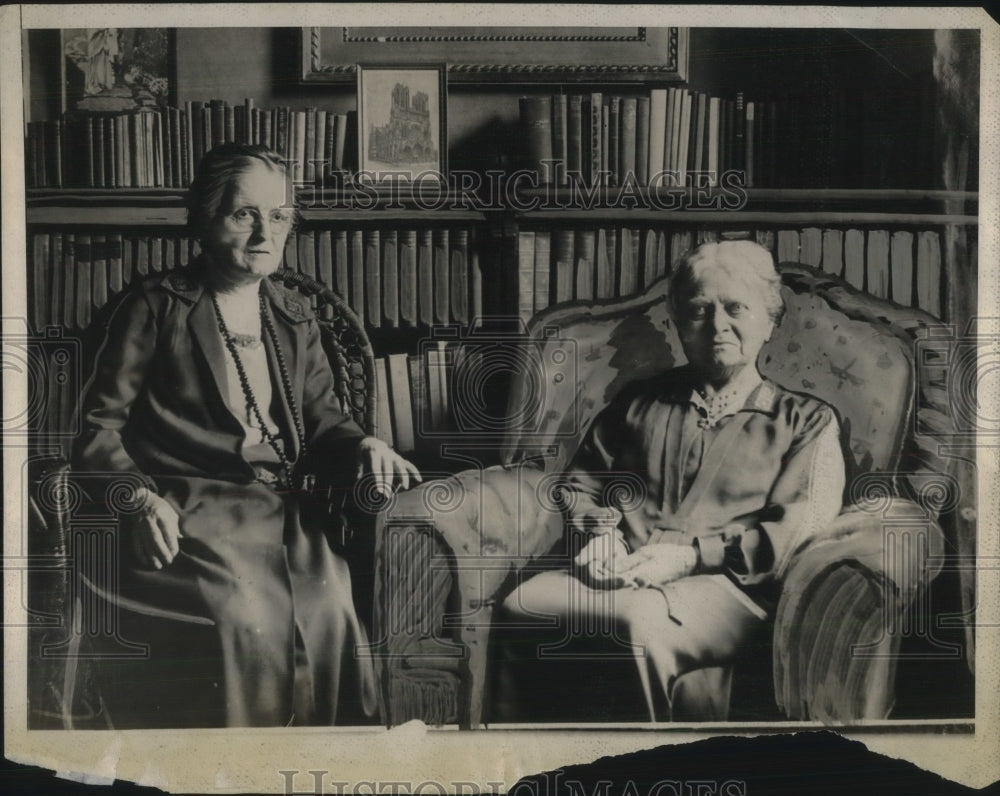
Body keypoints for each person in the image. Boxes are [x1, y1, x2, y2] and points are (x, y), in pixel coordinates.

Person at [72, 143, 421, 727]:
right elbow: (97, 429)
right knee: (246, 617)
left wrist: (365, 444)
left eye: (279, 216)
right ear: (206, 220)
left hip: (283, 511)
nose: (265, 232)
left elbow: (326, 421)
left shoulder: (292, 316)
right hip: (187, 511)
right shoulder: (155, 307)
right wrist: (136, 498)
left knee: (332, 608)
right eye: (244, 214)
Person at [499, 240, 846, 721]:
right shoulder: (639, 401)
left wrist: (689, 557)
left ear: (769, 322)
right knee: (524, 602)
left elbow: (793, 536)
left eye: (735, 308)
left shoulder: (804, 421)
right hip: (623, 573)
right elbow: (581, 486)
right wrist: (600, 538)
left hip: (731, 589)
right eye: (699, 310)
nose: (717, 325)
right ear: (680, 323)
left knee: (635, 624)